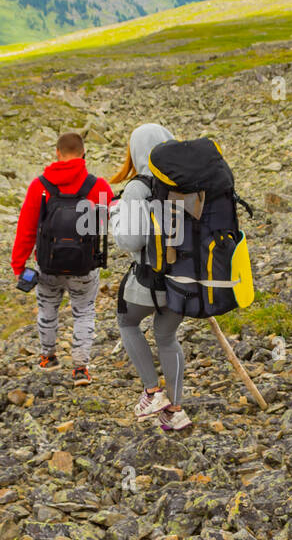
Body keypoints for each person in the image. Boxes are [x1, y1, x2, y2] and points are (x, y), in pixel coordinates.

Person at [11, 131, 113, 386]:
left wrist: (19, 265)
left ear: (57, 153)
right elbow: (108, 219)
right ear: (84, 155)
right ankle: (80, 369)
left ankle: (48, 357)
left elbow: (26, 227)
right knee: (84, 313)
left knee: (47, 309)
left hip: (48, 264)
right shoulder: (97, 185)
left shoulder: (40, 186)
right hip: (84, 267)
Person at [110, 123, 192, 432]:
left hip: (148, 280)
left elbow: (131, 241)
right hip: (184, 279)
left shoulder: (137, 187)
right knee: (167, 337)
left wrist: (117, 216)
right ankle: (175, 411)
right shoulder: (188, 182)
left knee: (127, 322)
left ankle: (151, 391)